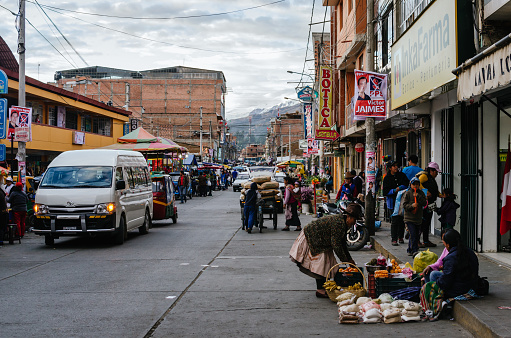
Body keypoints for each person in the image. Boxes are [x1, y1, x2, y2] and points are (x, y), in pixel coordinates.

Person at [289, 203, 363, 298]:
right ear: (348, 216)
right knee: (320, 265)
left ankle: (323, 287)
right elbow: (336, 245)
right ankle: (320, 290)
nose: (354, 222)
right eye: (354, 219)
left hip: (322, 241)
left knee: (327, 264)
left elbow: (342, 243)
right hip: (313, 237)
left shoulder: (344, 223)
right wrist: (345, 260)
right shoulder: (339, 223)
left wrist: (349, 259)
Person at [430, 229, 479, 298]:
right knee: (435, 274)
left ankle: (437, 298)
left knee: (433, 277)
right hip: (472, 285)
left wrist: (437, 282)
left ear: (448, 245)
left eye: (444, 243)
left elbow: (445, 282)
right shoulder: (470, 252)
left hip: (458, 290)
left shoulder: (451, 258)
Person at [382, 160, 409, 246]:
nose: (396, 167)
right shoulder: (387, 178)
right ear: (390, 168)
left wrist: (401, 187)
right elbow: (385, 192)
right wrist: (394, 190)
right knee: (394, 221)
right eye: (394, 166)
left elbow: (407, 184)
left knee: (401, 219)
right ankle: (394, 239)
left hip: (402, 201)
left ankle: (400, 237)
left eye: (396, 166)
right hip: (392, 202)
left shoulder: (402, 175)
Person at [402, 177, 428, 256]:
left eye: (417, 184)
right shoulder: (408, 193)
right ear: (411, 185)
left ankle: (410, 249)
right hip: (409, 218)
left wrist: (418, 196)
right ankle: (414, 250)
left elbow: (424, 203)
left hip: (418, 218)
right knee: (413, 233)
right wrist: (412, 206)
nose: (415, 186)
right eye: (414, 184)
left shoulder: (421, 193)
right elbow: (404, 205)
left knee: (416, 234)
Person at [418, 162, 442, 248]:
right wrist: (425, 191)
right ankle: (417, 240)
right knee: (422, 222)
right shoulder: (424, 176)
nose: (436, 174)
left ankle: (426, 240)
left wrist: (440, 195)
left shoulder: (431, 178)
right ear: (431, 171)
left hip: (430, 203)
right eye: (436, 172)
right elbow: (417, 183)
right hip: (424, 204)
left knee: (427, 222)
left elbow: (434, 189)